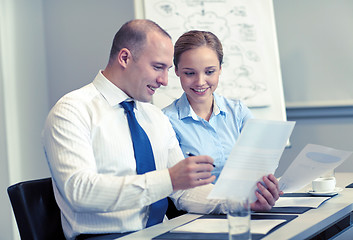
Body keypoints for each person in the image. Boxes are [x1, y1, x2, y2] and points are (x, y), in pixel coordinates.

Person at [42, 20, 280, 240]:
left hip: (161, 233)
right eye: (158, 67)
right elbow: (79, 192)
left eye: (168, 69)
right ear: (125, 58)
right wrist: (168, 179)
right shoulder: (72, 111)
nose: (165, 81)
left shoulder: (154, 117)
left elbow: (184, 193)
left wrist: (239, 202)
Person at [162, 30, 282, 205]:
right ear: (177, 71)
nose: (200, 81)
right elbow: (180, 192)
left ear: (220, 69)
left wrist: (265, 189)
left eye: (209, 72)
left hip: (249, 206)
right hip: (197, 215)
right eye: (190, 73)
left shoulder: (238, 112)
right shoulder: (166, 121)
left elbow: (262, 163)